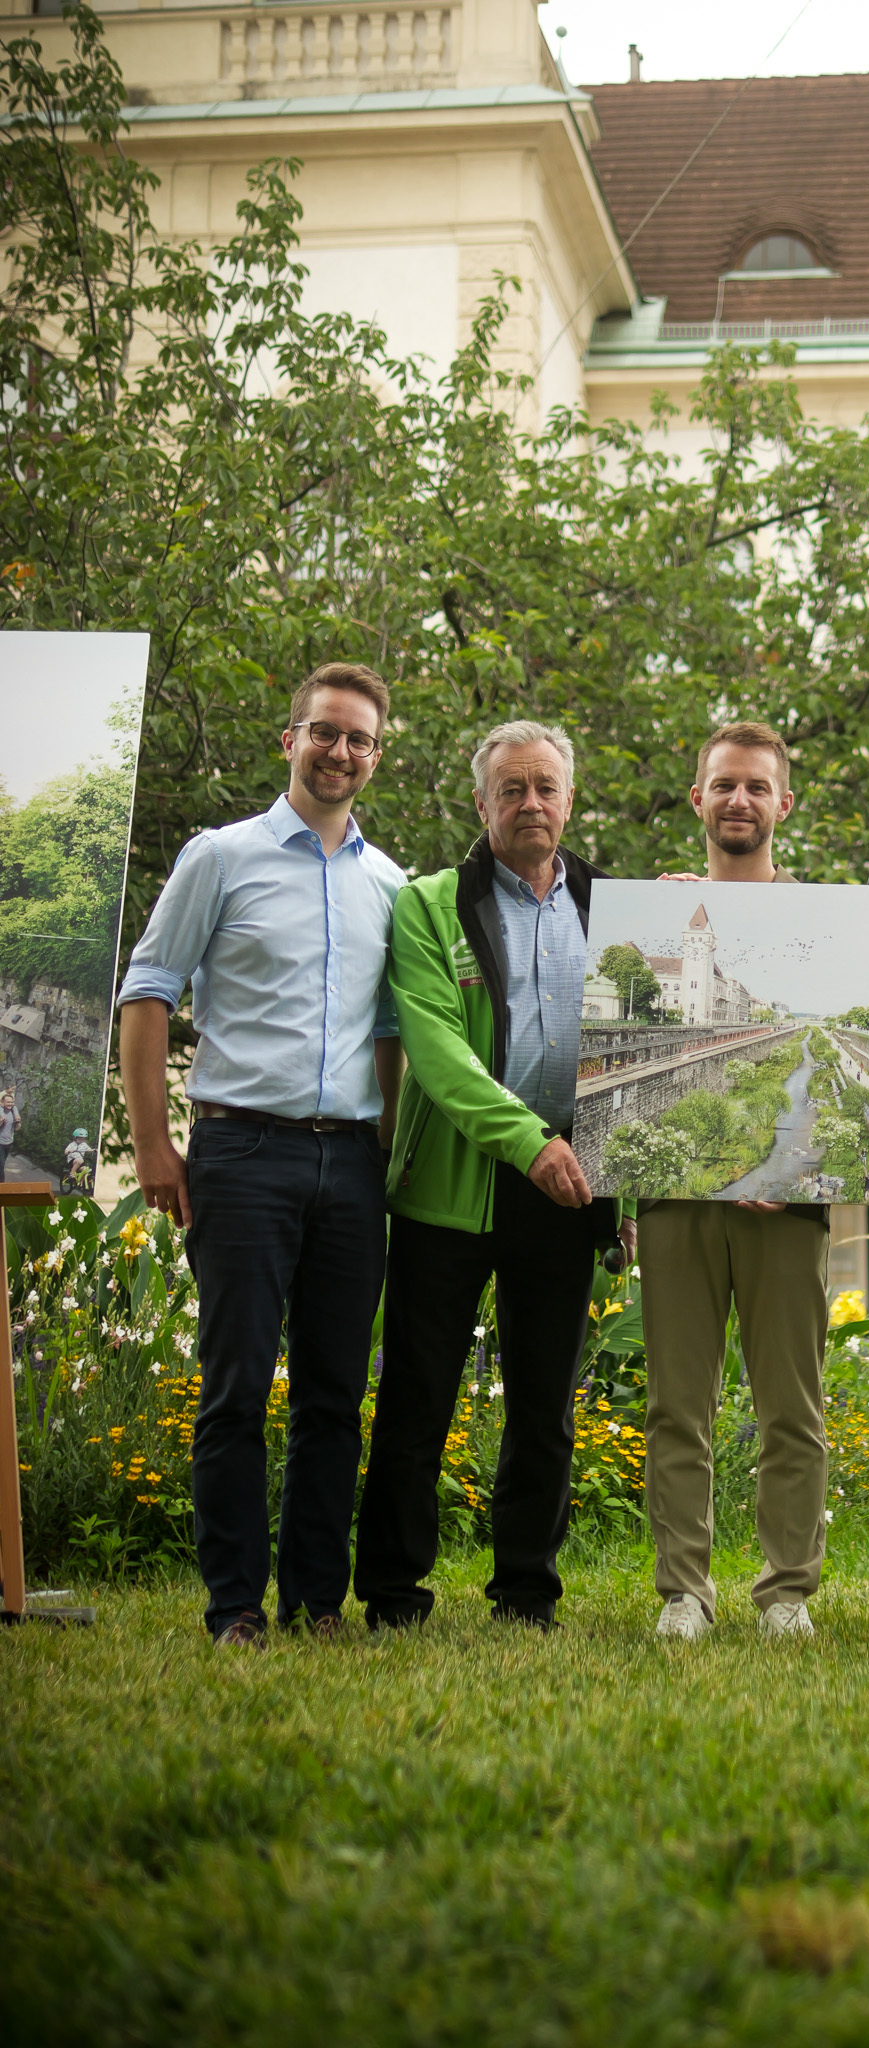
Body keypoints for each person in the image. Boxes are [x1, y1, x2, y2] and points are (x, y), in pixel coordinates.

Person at [118, 661, 405, 1646]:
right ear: (291, 740)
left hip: (353, 1167)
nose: (340, 750)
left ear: (376, 755)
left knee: (334, 1394)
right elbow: (147, 992)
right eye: (324, 731)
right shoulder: (219, 856)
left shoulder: (390, 884)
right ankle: (235, 1603)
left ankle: (317, 1600)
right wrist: (154, 1142)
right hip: (240, 1154)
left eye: (359, 738)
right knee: (236, 1388)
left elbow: (392, 1038)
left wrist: (394, 1158)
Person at [354, 720, 633, 1634]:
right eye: (510, 790)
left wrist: (617, 1177)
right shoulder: (429, 905)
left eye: (545, 787)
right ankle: (394, 1594)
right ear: (481, 805)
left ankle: (525, 1590)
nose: (530, 804)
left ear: (569, 800)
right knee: (418, 1395)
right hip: (454, 1182)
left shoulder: (616, 909)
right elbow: (433, 1052)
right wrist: (529, 1144)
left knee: (546, 1403)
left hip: (573, 1184)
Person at [642, 721, 830, 1641]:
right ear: (699, 799)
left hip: (784, 1206)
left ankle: (786, 1589)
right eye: (724, 786)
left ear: (782, 804)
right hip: (678, 1199)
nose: (739, 801)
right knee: (678, 1400)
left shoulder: (830, 917)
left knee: (790, 1402)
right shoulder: (662, 914)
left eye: (757, 787)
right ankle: (685, 1588)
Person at [0, 1090, 18, 1182]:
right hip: (0, 1143)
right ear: (3, 1103)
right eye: (8, 1102)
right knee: (1, 1166)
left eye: (11, 1102)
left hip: (9, 1143)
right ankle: (2, 1187)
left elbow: (16, 1127)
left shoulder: (13, 1112)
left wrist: (17, 1122)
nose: (10, 1104)